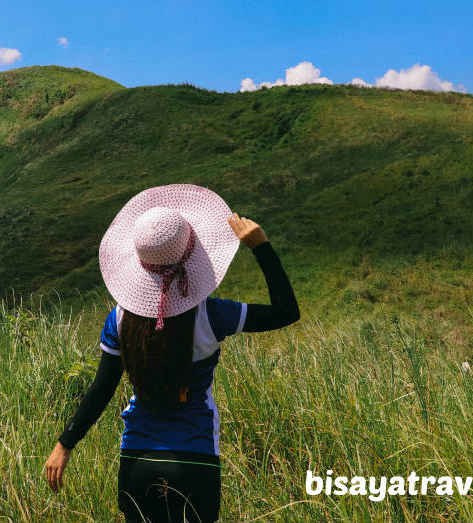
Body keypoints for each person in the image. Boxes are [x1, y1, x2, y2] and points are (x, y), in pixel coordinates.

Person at [44, 184, 300, 522]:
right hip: (195, 456)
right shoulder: (212, 316)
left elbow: (102, 388)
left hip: (137, 458)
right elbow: (286, 311)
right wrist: (261, 247)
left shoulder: (120, 320)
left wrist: (65, 444)